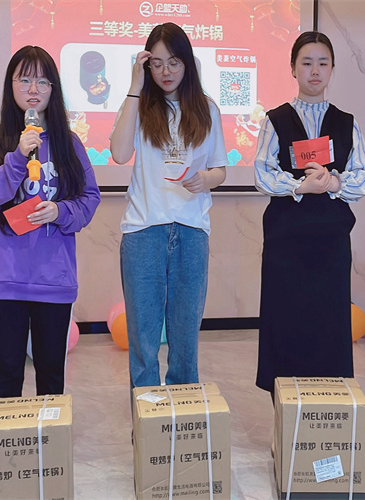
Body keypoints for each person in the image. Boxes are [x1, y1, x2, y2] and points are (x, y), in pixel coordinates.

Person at [0, 46, 101, 398]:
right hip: (4, 278)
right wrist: (17, 156)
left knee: (51, 378)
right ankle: (9, 437)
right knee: (7, 378)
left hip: (53, 278)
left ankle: (49, 436)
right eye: (24, 79)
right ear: (10, 85)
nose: (33, 89)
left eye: (43, 81)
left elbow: (89, 199)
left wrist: (60, 212)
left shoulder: (69, 143)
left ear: (53, 89)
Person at [253, 31, 365, 399]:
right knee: (285, 322)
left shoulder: (346, 122)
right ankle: (285, 409)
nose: (315, 70)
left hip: (330, 246)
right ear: (293, 68)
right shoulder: (275, 119)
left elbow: (363, 175)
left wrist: (333, 182)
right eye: (307, 63)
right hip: (285, 245)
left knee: (328, 324)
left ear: (332, 68)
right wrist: (301, 186)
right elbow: (262, 172)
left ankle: (326, 407)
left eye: (323, 63)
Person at [109, 22, 227, 389]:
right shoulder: (138, 106)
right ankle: (148, 415)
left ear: (187, 63)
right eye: (156, 64)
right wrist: (134, 87)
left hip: (192, 231)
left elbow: (220, 170)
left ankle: (183, 413)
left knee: (185, 339)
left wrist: (205, 179)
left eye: (174, 62)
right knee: (143, 338)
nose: (166, 72)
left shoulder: (207, 109)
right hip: (144, 230)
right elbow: (119, 154)